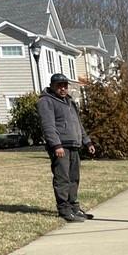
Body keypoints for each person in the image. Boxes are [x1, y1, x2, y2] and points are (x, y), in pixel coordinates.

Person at [38, 73, 96, 222]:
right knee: (62, 178)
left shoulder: (70, 102)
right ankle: (64, 209)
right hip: (61, 146)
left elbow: (78, 124)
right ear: (52, 86)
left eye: (65, 85)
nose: (63, 88)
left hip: (74, 145)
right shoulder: (46, 101)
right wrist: (56, 145)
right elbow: (48, 126)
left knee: (74, 178)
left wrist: (87, 142)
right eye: (59, 86)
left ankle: (74, 207)